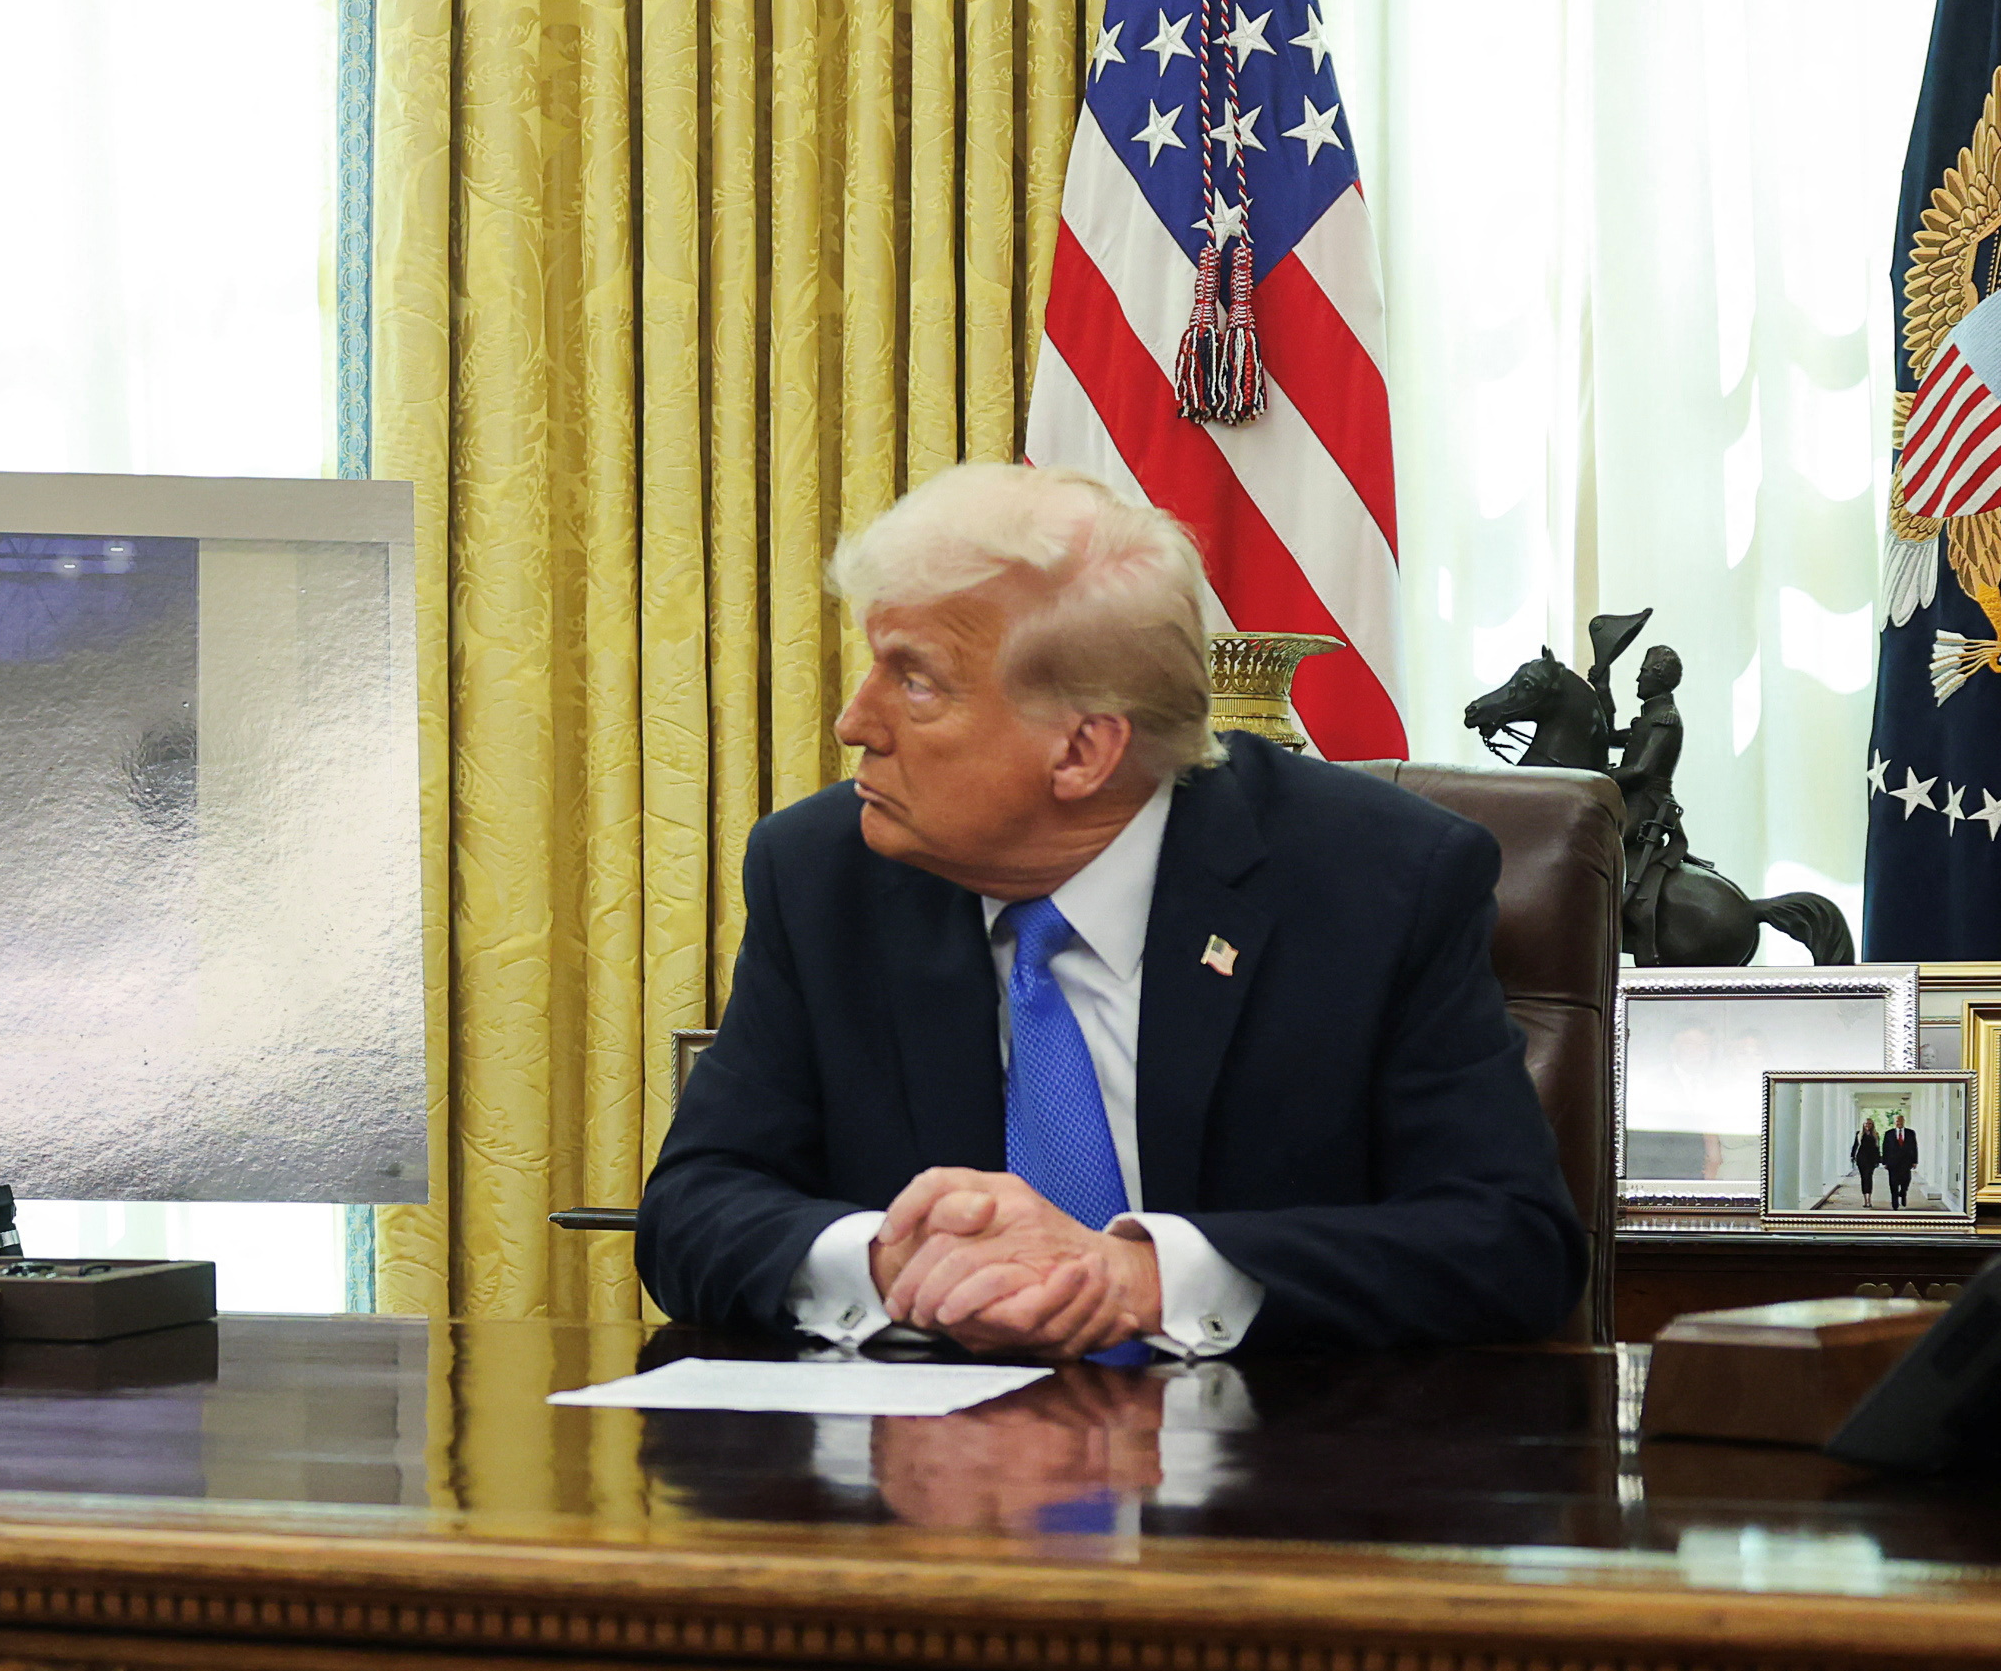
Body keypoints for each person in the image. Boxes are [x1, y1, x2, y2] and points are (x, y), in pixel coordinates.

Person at [636, 462, 1582, 1353]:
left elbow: (1508, 1242)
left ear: (1084, 751)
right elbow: (694, 1207)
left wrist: (1142, 1278)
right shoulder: (821, 874)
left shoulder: (1379, 881)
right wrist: (890, 1258)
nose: (855, 721)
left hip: (1271, 1483)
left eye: (913, 679)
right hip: (931, 1489)